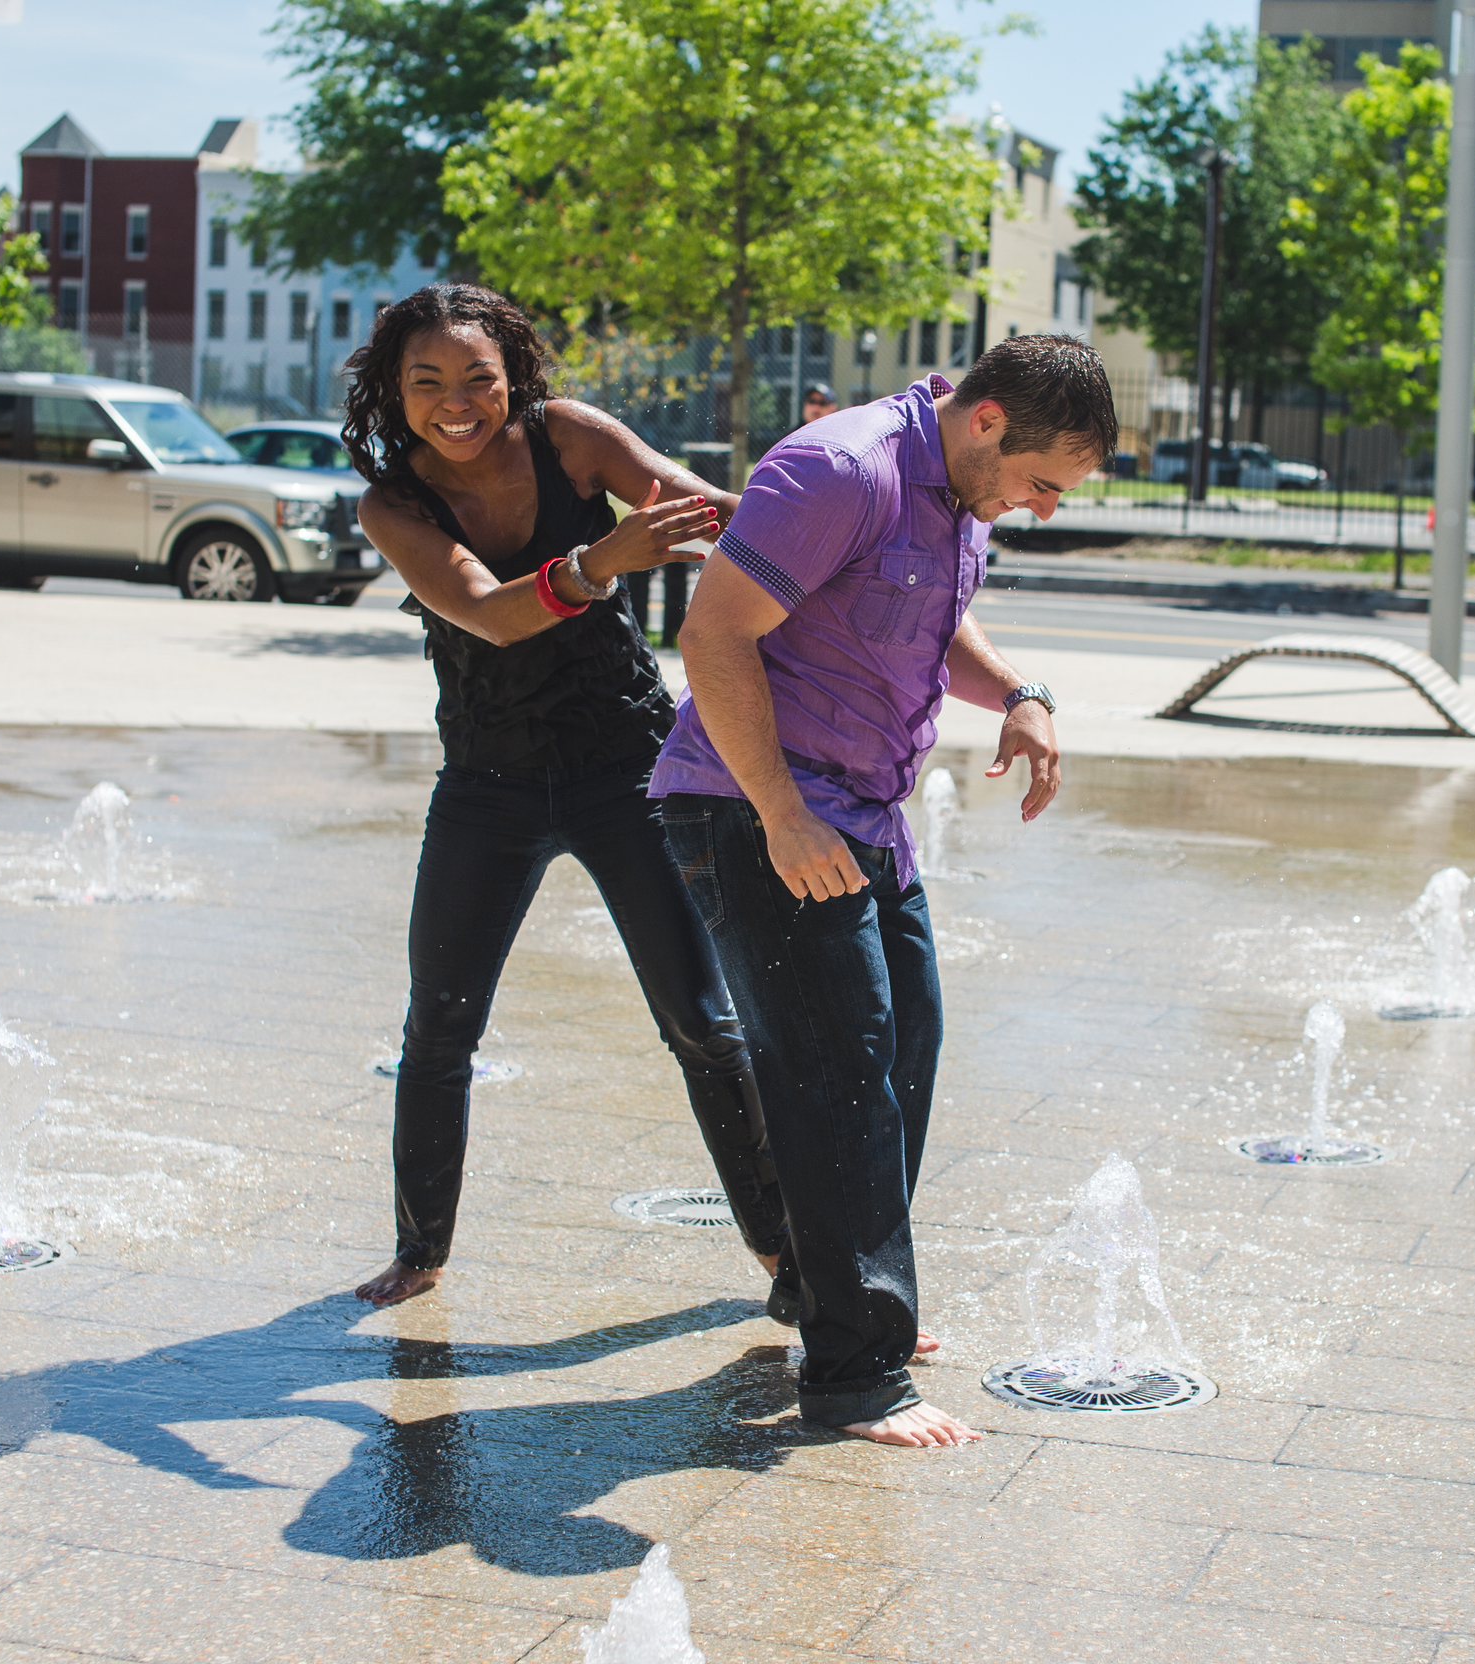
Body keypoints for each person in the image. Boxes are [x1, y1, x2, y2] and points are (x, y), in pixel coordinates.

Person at [654, 335, 1118, 1447]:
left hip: (859, 814)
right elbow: (711, 632)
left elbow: (927, 619)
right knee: (838, 1071)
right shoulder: (842, 469)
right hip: (755, 802)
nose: (1046, 507)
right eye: (1044, 482)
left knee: (903, 1044)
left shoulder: (956, 491)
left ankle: (832, 1297)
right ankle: (858, 1373)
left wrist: (1019, 691)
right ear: (989, 418)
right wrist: (779, 811)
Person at [341, 283, 788, 1308]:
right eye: (429, 381)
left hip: (623, 766)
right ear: (395, 391)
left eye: (477, 378)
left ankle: (785, 1255)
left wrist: (781, 516)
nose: (457, 400)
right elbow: (489, 613)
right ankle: (419, 1251)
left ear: (513, 377)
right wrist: (599, 560)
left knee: (700, 1020)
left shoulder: (569, 438)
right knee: (440, 1024)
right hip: (486, 785)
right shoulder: (394, 502)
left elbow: (700, 508)